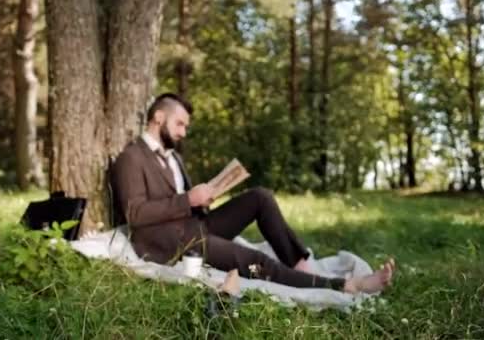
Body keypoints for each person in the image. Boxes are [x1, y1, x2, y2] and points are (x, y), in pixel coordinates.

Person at [111, 93, 394, 294]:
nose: (184, 132)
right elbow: (135, 214)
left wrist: (203, 199)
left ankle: (302, 268)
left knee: (260, 197)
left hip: (195, 224)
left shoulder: (174, 158)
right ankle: (345, 285)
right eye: (180, 124)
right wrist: (189, 199)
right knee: (256, 262)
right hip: (172, 242)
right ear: (159, 117)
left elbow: (182, 202)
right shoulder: (131, 158)